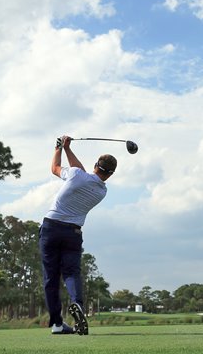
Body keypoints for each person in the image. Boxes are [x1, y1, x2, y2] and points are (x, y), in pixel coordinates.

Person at [39, 135, 117, 335]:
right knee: (72, 273)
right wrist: (67, 149)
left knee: (51, 278)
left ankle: (57, 324)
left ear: (95, 165)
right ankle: (77, 305)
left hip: (51, 228)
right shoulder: (101, 191)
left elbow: (55, 169)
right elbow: (82, 172)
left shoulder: (76, 175)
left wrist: (59, 148)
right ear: (110, 174)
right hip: (73, 232)